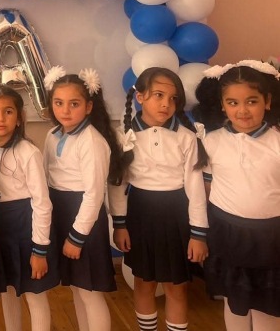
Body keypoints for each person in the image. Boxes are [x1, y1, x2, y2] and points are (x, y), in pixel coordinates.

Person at [109, 67, 209, 331]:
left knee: (177, 287)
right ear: (140, 97)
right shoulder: (125, 136)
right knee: (144, 284)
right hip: (140, 216)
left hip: (177, 217)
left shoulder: (186, 138)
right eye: (158, 95)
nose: (166, 104)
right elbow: (118, 185)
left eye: (173, 98)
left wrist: (198, 234)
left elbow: (195, 188)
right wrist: (119, 225)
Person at [194, 61, 280, 331]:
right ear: (222, 105)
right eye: (232, 103)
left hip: (271, 239)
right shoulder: (212, 141)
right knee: (234, 303)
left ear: (267, 101)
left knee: (268, 308)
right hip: (228, 234)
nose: (242, 110)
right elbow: (205, 190)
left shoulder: (277, 143)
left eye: (251, 101)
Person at [42, 67, 124, 331]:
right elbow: (47, 177)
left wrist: (77, 237)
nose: (65, 110)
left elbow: (94, 194)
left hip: (83, 221)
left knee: (90, 291)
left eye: (74, 104)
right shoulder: (52, 135)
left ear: (88, 107)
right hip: (60, 213)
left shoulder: (92, 141)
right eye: (59, 103)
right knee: (77, 287)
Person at [0, 85, 58, 331]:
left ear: (20, 117)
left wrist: (39, 250)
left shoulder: (28, 152)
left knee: (34, 293)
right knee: (8, 291)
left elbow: (42, 202)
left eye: (8, 111)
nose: (1, 118)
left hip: (26, 231)